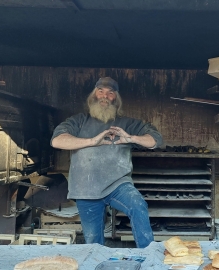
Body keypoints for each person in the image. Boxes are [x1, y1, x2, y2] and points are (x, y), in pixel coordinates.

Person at [50, 77, 163, 248]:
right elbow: (57, 141)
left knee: (138, 206)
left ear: (116, 99)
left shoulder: (127, 123)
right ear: (93, 96)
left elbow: (155, 140)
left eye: (110, 93)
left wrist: (130, 138)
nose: (105, 96)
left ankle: (149, 255)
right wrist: (91, 141)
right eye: (100, 91)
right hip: (85, 189)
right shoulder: (78, 121)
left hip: (118, 185)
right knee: (93, 242)